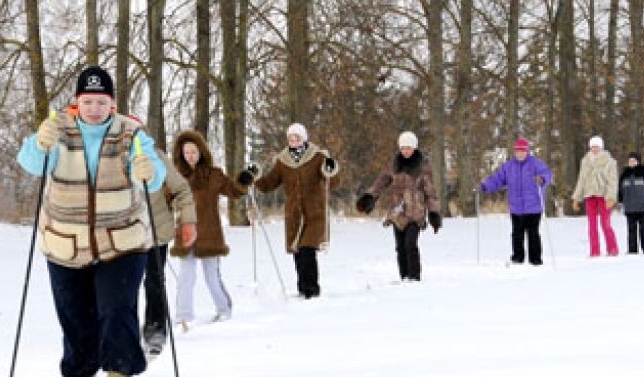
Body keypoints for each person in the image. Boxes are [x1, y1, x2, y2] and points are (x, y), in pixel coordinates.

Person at [16, 65, 166, 377]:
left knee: (116, 309)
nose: (94, 108)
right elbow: (32, 164)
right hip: (65, 242)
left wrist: (148, 170)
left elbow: (154, 175)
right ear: (77, 102)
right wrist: (40, 143)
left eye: (101, 102)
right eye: (88, 101)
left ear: (112, 103)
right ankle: (81, 376)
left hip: (122, 242)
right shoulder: (58, 129)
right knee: (75, 314)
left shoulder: (130, 132)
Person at [248, 123, 340, 298]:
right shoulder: (283, 161)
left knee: (307, 250)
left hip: (314, 213)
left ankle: (312, 290)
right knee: (297, 252)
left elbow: (333, 183)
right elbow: (268, 184)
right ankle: (302, 289)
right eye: (290, 138)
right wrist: (255, 177)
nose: (293, 141)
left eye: (297, 138)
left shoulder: (318, 157)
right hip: (294, 215)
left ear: (304, 139)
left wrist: (331, 169)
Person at [169, 129, 248, 328]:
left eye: (194, 151)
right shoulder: (176, 176)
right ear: (181, 154)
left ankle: (224, 309)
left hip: (209, 232)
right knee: (186, 276)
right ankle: (183, 316)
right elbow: (163, 197)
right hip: (186, 231)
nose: (190, 156)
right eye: (186, 152)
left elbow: (233, 190)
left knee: (211, 275)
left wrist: (243, 181)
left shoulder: (214, 175)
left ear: (201, 152)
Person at [354, 131, 441, 281]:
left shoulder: (423, 166)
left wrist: (434, 213)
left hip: (415, 212)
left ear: (414, 148)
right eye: (403, 148)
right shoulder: (394, 164)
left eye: (408, 148)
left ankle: (414, 277)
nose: (406, 151)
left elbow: (431, 192)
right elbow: (381, 182)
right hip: (397, 212)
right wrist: (370, 196)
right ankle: (404, 277)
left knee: (410, 244)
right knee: (400, 247)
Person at [142, 161, 197, 356]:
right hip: (120, 234)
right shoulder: (108, 153)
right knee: (122, 288)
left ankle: (155, 330)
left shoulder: (153, 156)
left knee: (154, 281)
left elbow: (181, 188)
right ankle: (125, 334)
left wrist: (188, 221)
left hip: (155, 230)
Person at [477, 138, 553, 266]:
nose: (520, 154)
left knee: (533, 233)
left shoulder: (535, 163)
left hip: (533, 206)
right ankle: (518, 257)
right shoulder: (509, 166)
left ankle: (535, 259)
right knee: (517, 233)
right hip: (516, 207)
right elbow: (497, 179)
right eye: (518, 151)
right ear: (515, 152)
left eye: (523, 151)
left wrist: (542, 179)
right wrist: (484, 186)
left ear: (527, 151)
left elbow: (547, 173)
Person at [571, 135, 619, 257]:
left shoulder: (609, 161)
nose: (594, 149)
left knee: (605, 223)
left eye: (596, 147)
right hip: (590, 195)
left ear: (601, 147)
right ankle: (594, 251)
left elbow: (613, 181)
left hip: (604, 195)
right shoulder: (585, 161)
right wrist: (576, 198)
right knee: (592, 225)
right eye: (592, 147)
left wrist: (611, 197)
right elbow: (581, 180)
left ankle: (612, 248)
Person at [618, 151, 644, 254]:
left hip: (643, 207)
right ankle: (632, 250)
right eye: (630, 160)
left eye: (634, 160)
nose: (632, 162)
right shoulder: (624, 175)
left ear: (638, 161)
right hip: (629, 207)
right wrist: (621, 203)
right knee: (631, 231)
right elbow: (620, 190)